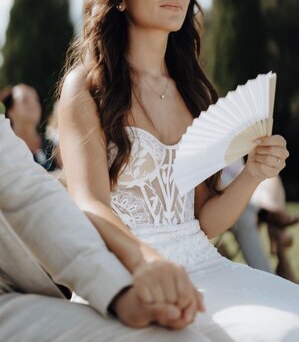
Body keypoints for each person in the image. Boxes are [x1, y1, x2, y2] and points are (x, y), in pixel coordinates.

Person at [58, 0, 299, 341]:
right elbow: (89, 203)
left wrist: (254, 174)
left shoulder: (196, 92)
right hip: (130, 274)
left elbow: (204, 220)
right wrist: (149, 261)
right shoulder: (86, 86)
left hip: (207, 266)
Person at [0, 106, 211, 341]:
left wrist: (119, 291)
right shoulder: (82, 92)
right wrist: (140, 260)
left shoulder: (192, 94)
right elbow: (87, 199)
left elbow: (25, 191)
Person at [0, 84, 57, 172]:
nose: (34, 104)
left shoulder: (55, 147)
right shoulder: (5, 152)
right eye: (25, 100)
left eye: (36, 99)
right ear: (10, 111)